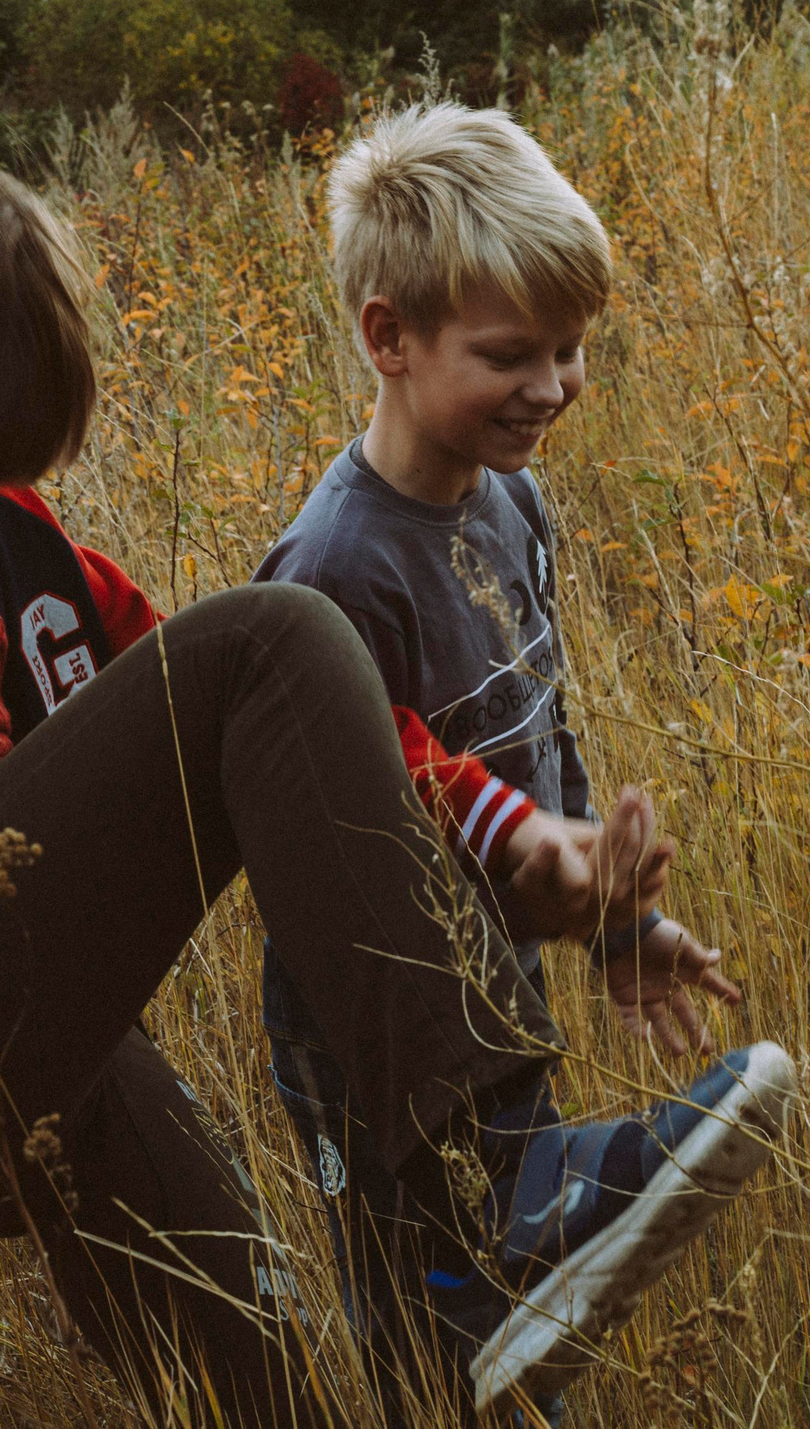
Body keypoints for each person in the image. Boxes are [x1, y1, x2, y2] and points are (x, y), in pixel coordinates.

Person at [0, 155, 793, 1427]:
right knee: (272, 630)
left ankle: (477, 1271)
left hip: (46, 1036)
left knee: (265, 1378)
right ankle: (489, 1178)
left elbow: (260, 726)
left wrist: (510, 831)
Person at [252, 99, 765, 1421]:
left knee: (505, 1334)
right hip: (371, 1029)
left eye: (572, 350)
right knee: (422, 1323)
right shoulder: (333, 563)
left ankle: (534, 1211)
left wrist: (617, 913)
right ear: (389, 336)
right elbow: (333, 803)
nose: (550, 387)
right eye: (508, 353)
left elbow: (546, 718)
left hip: (499, 996)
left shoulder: (511, 499)